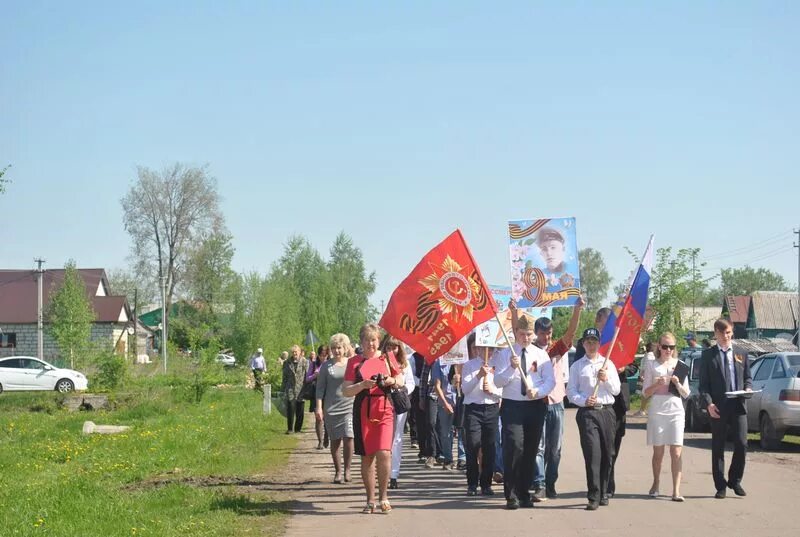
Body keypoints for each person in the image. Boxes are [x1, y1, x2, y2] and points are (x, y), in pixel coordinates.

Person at [511, 296, 584, 500]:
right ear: (536, 333)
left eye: (549, 333)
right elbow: (516, 330)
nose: (546, 337)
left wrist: (577, 309)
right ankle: (540, 484)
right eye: (542, 334)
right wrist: (514, 311)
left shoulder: (555, 349)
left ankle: (551, 483)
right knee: (539, 447)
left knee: (555, 449)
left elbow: (571, 333)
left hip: (557, 404)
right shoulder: (530, 351)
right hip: (538, 403)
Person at [492, 314, 555, 510]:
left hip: (534, 406)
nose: (525, 338)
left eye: (529, 334)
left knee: (530, 450)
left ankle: (523, 492)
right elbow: (497, 382)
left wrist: (539, 392)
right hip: (513, 406)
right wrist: (512, 368)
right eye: (522, 334)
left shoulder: (540, 354)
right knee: (514, 448)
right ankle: (511, 495)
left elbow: (550, 381)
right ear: (515, 333)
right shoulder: (505, 354)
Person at [342, 323, 404, 514]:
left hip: (385, 408)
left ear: (379, 341)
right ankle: (370, 499)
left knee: (384, 452)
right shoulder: (354, 362)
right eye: (367, 340)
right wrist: (362, 385)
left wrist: (391, 380)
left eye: (374, 340)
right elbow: (345, 390)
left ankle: (384, 497)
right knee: (367, 456)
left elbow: (400, 379)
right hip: (363, 410)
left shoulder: (388, 358)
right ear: (361, 341)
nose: (371, 344)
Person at [577, 307, 639, 498]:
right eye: (605, 322)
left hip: (616, 400)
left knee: (612, 445)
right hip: (593, 401)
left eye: (611, 322)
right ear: (598, 322)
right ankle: (604, 486)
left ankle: (607, 480)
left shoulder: (620, 340)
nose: (609, 326)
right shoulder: (588, 343)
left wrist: (621, 370)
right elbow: (580, 365)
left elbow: (633, 365)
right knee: (596, 448)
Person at [567, 327, 621, 511]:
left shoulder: (608, 364)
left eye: (594, 342)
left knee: (608, 453)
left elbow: (616, 390)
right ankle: (593, 495)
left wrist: (605, 379)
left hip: (606, 412)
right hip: (587, 413)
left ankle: (604, 490)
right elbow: (571, 392)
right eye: (588, 341)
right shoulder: (577, 366)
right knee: (592, 454)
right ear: (583, 344)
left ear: (599, 344)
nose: (591, 345)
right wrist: (583, 401)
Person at [699, 318, 752, 499]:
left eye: (729, 333)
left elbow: (748, 377)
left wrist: (748, 387)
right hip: (718, 407)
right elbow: (703, 385)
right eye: (722, 334)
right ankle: (720, 485)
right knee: (718, 446)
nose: (726, 337)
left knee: (742, 443)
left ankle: (735, 480)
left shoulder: (741, 353)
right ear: (715, 334)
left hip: (738, 405)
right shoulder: (708, 355)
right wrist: (709, 403)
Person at [643, 332, 690, 501]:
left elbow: (686, 394)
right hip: (657, 409)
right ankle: (656, 483)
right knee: (658, 452)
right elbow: (645, 393)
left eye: (671, 347)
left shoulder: (681, 365)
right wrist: (657, 384)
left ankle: (676, 490)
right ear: (659, 347)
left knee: (676, 451)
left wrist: (677, 383)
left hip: (675, 409)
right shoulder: (652, 365)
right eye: (665, 347)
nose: (668, 350)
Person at [460, 333, 501, 496]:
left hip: (491, 409)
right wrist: (479, 376)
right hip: (473, 409)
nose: (487, 351)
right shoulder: (469, 365)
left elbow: (503, 389)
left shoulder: (498, 365)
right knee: (473, 445)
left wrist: (493, 391)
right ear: (477, 348)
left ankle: (486, 484)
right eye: (483, 348)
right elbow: (465, 389)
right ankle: (472, 483)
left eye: (490, 348)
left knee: (490, 447)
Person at [315, 334, 355, 484]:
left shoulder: (351, 364)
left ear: (345, 348)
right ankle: (338, 471)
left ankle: (348, 470)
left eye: (339, 348)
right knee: (335, 440)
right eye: (334, 348)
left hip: (349, 405)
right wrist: (319, 408)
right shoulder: (326, 366)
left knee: (349, 436)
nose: (336, 351)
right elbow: (320, 389)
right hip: (331, 408)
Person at [383, 336, 415, 489]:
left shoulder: (405, 364)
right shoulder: (381, 362)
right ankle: (383, 471)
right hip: (383, 403)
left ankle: (393, 474)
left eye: (394, 347)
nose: (391, 351)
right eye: (388, 347)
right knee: (384, 440)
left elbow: (411, 383)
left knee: (396, 438)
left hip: (399, 404)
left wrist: (402, 389)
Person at [432, 356, 459, 471]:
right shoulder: (438, 362)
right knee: (445, 432)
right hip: (446, 400)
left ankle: (463, 459)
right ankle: (448, 459)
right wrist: (445, 403)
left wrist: (459, 380)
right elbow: (437, 386)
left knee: (463, 432)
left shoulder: (461, 360)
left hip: (461, 400)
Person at [282, 345, 309, 434]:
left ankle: (298, 428)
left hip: (301, 388)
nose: (294, 353)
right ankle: (290, 429)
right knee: (290, 408)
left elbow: (307, 375)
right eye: (293, 352)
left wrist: (307, 387)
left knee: (300, 409)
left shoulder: (304, 361)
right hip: (290, 388)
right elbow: (284, 376)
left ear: (300, 352)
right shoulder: (287, 362)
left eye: (296, 352)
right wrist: (283, 388)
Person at [306, 347, 328, 449]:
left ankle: (327, 436)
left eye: (325, 355)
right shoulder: (314, 364)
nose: (323, 357)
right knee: (319, 418)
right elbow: (307, 378)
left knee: (328, 418)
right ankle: (320, 441)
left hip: (328, 394)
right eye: (321, 355)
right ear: (318, 355)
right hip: (316, 394)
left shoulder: (331, 364)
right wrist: (314, 375)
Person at [634, 342, 657, 417]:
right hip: (649, 376)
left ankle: (642, 410)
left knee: (645, 394)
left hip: (646, 376)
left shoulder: (648, 355)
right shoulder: (652, 355)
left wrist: (642, 374)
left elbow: (645, 366)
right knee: (647, 394)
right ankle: (643, 410)